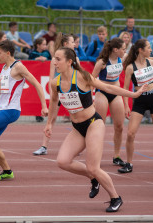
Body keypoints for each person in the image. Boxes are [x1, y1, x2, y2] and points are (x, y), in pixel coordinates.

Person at [44, 47, 147, 212]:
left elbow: (109, 88)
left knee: (93, 166)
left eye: (58, 59)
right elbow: (54, 104)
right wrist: (49, 124)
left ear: (69, 62)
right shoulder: (55, 82)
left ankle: (115, 197)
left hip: (93, 123)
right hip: (77, 127)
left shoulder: (83, 77)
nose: (54, 62)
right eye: (54, 59)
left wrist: (133, 95)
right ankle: (93, 178)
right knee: (62, 161)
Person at [0, 40, 48, 180]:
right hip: (5, 110)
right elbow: (0, 91)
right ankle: (7, 171)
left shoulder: (18, 67)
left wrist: (44, 106)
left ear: (8, 53)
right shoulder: (5, 68)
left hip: (10, 110)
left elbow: (37, 84)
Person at [33, 32, 75, 155]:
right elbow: (52, 78)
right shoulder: (55, 59)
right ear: (66, 44)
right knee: (51, 119)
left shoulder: (75, 59)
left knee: (76, 119)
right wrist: (52, 95)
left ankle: (77, 145)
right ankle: (44, 146)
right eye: (73, 42)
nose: (75, 44)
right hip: (58, 91)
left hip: (72, 92)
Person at [119, 39, 153, 173]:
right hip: (139, 100)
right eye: (148, 47)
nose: (150, 50)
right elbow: (126, 88)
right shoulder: (130, 67)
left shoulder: (151, 62)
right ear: (140, 50)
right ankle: (129, 163)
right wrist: (126, 106)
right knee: (130, 133)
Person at [91, 38, 127, 167]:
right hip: (102, 92)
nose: (125, 51)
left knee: (119, 126)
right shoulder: (102, 62)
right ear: (115, 50)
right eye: (123, 48)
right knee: (100, 127)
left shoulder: (122, 58)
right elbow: (91, 80)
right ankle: (96, 157)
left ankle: (116, 156)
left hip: (115, 92)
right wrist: (91, 100)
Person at [29, 37, 51, 122]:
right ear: (38, 45)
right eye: (44, 44)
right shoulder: (33, 53)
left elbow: (51, 60)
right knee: (35, 96)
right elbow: (28, 61)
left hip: (45, 77)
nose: (45, 46)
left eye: (46, 44)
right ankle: (37, 114)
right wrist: (36, 59)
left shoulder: (47, 53)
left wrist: (47, 59)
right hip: (35, 77)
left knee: (43, 96)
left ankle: (45, 112)